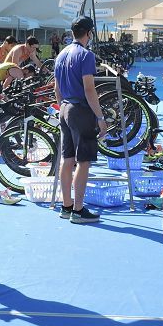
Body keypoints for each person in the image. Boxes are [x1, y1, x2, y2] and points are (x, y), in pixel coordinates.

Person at [53, 16, 109, 224]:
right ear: (89, 33)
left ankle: (66, 206)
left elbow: (57, 89)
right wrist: (100, 117)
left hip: (65, 108)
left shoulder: (61, 54)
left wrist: (62, 108)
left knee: (67, 159)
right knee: (83, 161)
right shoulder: (86, 56)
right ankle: (78, 210)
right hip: (80, 110)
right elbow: (89, 89)